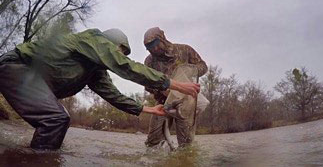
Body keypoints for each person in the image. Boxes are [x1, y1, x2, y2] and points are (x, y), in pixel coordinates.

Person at [0, 28, 200, 150]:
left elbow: (115, 97)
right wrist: (173, 84)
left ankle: (37, 155)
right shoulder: (90, 39)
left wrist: (149, 110)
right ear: (107, 44)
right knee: (55, 119)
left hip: (30, 80)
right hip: (16, 67)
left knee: (59, 120)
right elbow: (124, 66)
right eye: (118, 52)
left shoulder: (95, 71)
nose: (116, 58)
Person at [143, 27, 207, 148]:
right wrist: (160, 89)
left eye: (156, 44)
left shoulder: (184, 50)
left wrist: (189, 72)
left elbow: (203, 66)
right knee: (153, 141)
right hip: (162, 102)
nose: (154, 49)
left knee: (186, 144)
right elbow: (146, 84)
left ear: (162, 39)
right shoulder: (149, 61)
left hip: (185, 101)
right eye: (150, 47)